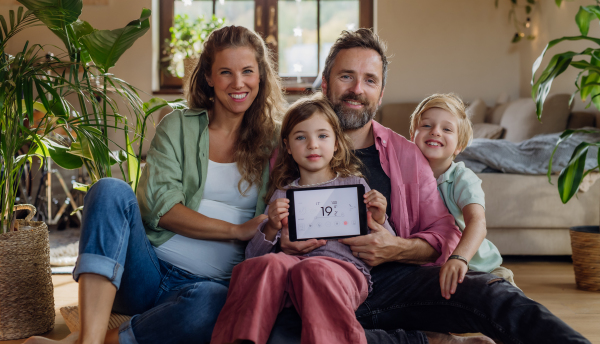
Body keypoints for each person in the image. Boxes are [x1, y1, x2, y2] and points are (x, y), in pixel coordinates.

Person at [270, 28, 590, 344]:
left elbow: (444, 233)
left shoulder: (406, 154)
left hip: (398, 283)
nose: (357, 89)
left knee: (492, 293)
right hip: (314, 289)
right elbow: (265, 228)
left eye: (370, 80)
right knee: (279, 332)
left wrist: (398, 248)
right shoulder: (288, 148)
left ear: (381, 93)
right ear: (325, 84)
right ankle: (429, 341)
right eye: (346, 77)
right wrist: (281, 241)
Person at [26, 25, 286, 344]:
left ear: (261, 75)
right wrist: (236, 230)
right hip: (145, 271)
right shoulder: (178, 126)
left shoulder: (278, 140)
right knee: (109, 189)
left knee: (213, 304)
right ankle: (90, 340)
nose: (238, 83)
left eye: (247, 71)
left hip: (208, 287)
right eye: (225, 72)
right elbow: (159, 209)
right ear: (208, 77)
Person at [212, 95, 394, 344]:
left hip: (343, 273)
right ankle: (241, 339)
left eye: (322, 136)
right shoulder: (283, 194)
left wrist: (380, 217)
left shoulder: (355, 186)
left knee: (313, 268)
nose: (312, 145)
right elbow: (253, 256)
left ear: (337, 144)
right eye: (301, 137)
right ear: (287, 146)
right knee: (266, 265)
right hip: (288, 276)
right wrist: (272, 226)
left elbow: (388, 243)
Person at [409, 93, 516, 301]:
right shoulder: (404, 176)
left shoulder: (462, 178)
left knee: (506, 303)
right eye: (426, 126)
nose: (436, 132)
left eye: (447, 129)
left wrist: (460, 258)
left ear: (459, 145)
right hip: (436, 269)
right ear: (412, 135)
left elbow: (477, 221)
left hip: (479, 266)